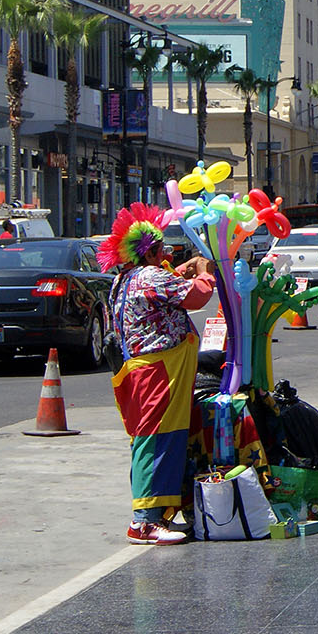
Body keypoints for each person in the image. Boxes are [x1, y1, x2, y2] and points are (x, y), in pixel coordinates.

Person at [100, 203, 214, 546]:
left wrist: (180, 270)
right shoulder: (150, 278)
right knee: (157, 439)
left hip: (141, 370)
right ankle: (145, 522)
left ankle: (154, 515)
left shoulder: (125, 279)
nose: (166, 254)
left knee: (154, 438)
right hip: (159, 372)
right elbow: (197, 295)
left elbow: (162, 286)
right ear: (148, 253)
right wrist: (204, 271)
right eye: (161, 249)